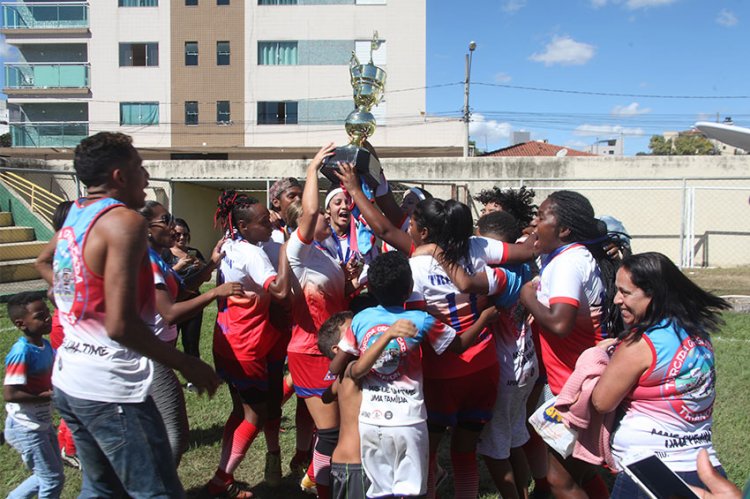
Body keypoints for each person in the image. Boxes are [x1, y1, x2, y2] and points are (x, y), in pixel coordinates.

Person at [36, 131, 220, 497]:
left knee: (102, 489)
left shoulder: (77, 213)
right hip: (111, 390)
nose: (147, 178)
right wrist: (187, 363)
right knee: (157, 491)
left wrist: (73, 296)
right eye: (140, 168)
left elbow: (44, 261)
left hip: (70, 381)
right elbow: (121, 326)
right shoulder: (126, 223)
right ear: (120, 176)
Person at [338, 251, 502, 498]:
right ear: (410, 288)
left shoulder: (360, 319)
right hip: (409, 420)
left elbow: (337, 365)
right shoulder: (422, 320)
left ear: (370, 288)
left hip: (371, 421)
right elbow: (458, 345)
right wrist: (484, 319)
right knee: (413, 489)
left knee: (380, 490)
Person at [591, 252, 730, 498]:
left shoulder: (640, 344)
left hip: (650, 474)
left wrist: (599, 360)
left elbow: (602, 401)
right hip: (704, 466)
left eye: (625, 292)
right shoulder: (697, 332)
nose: (616, 300)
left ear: (652, 293)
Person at [519, 190, 618, 498]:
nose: (534, 224)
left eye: (541, 217)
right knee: (581, 471)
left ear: (564, 229)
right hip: (584, 380)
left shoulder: (567, 264)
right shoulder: (571, 255)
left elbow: (561, 323)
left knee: (558, 480)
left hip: (577, 388)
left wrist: (528, 298)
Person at [140, 201, 243, 466]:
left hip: (159, 352)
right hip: (151, 355)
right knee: (175, 434)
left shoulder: (157, 258)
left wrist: (212, 264)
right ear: (147, 228)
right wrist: (214, 293)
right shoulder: (148, 262)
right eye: (166, 220)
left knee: (157, 430)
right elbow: (170, 312)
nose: (173, 226)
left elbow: (183, 289)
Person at [208, 190, 292, 497]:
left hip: (238, 339)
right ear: (243, 227)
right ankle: (221, 480)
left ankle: (271, 458)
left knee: (251, 408)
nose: (269, 224)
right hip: (247, 346)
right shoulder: (253, 254)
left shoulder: (231, 244)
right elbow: (280, 291)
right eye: (262, 222)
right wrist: (286, 250)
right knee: (252, 415)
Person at [286, 143, 358, 499]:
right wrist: (313, 167)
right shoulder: (296, 252)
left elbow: (336, 300)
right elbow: (311, 207)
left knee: (339, 428)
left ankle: (318, 477)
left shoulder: (326, 255)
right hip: (310, 352)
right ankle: (320, 487)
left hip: (336, 348)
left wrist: (352, 279)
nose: (327, 217)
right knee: (330, 433)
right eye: (318, 216)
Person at [475, 211, 538, 499]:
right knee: (514, 439)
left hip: (505, 371)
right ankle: (524, 494)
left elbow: (466, 284)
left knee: (494, 447)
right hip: (526, 364)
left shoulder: (498, 276)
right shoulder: (526, 267)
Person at [4, 292, 64, 499]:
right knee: (52, 479)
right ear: (22, 324)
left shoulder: (45, 346)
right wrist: (50, 395)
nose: (48, 318)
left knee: (48, 475)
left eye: (47, 313)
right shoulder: (22, 352)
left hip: (41, 423)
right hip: (25, 426)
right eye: (40, 316)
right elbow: (10, 393)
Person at [317, 311, 371, 499]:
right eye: (352, 331)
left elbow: (325, 397)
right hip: (355, 465)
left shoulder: (343, 376)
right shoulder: (354, 370)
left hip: (347, 465)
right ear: (336, 350)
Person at [165, 217, 209, 360]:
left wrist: (202, 267)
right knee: (170, 341)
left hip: (194, 302)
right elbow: (161, 277)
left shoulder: (194, 252)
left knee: (191, 341)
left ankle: (193, 378)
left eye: (185, 234)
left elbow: (207, 278)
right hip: (174, 303)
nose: (182, 237)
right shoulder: (165, 253)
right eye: (178, 234)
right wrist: (178, 266)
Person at [267, 177, 303, 243]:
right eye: (291, 196)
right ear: (276, 202)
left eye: (301, 196)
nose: (298, 200)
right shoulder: (268, 228)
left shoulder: (304, 224)